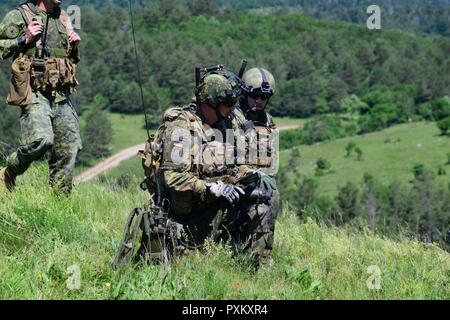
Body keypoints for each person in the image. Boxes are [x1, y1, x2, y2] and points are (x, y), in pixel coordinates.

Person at [134, 70, 276, 269]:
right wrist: (210, 187)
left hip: (214, 207)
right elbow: (172, 177)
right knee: (180, 267)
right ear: (210, 103)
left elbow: (235, 159)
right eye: (227, 104)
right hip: (182, 217)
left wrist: (248, 175)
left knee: (262, 203)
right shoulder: (182, 129)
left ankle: (256, 267)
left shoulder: (224, 124)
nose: (232, 109)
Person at [0, 0, 82, 194]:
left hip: (61, 94)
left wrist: (75, 46)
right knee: (41, 140)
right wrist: (23, 39)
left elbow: (70, 59)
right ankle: (10, 171)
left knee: (69, 147)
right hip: (34, 91)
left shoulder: (63, 17)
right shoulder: (20, 15)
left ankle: (59, 202)